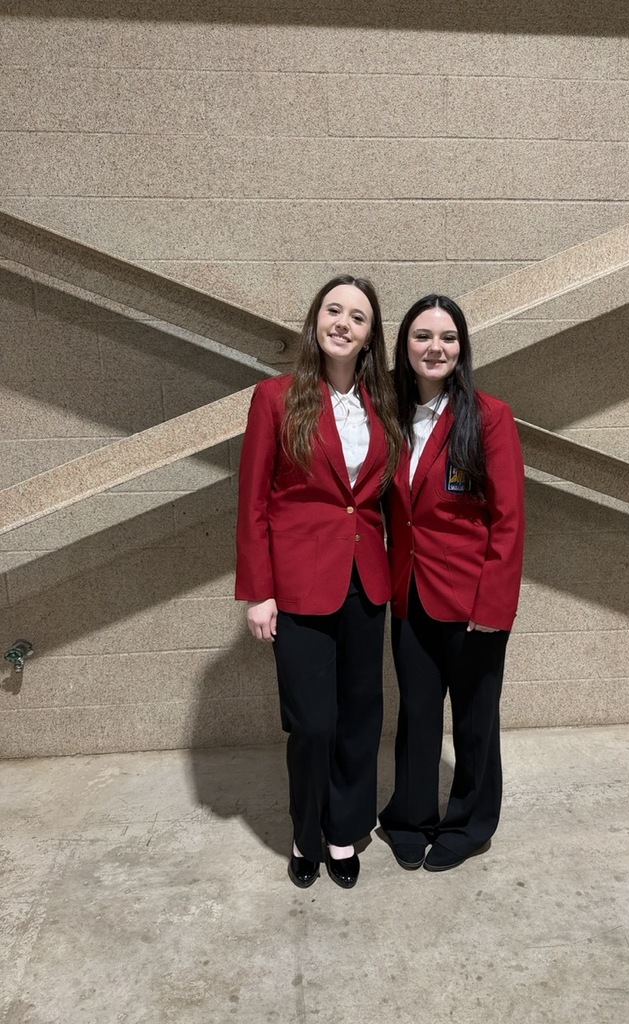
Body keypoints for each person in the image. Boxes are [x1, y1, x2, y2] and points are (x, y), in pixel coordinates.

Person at [236, 275, 401, 889]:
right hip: (299, 585)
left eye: (357, 317)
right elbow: (253, 501)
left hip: (367, 583)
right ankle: (307, 833)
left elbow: (375, 502)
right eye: (333, 311)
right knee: (311, 721)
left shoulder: (380, 404)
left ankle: (342, 833)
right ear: (316, 321)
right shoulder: (275, 398)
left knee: (360, 716)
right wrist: (259, 590)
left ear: (368, 335)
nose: (343, 323)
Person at [379, 294, 525, 872]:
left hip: (473, 599)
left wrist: (494, 605)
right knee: (417, 712)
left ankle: (470, 821)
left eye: (447, 338)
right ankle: (409, 816)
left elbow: (508, 519)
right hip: (409, 593)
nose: (434, 348)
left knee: (474, 716)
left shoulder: (489, 416)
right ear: (404, 345)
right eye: (422, 336)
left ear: (461, 348)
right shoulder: (387, 412)